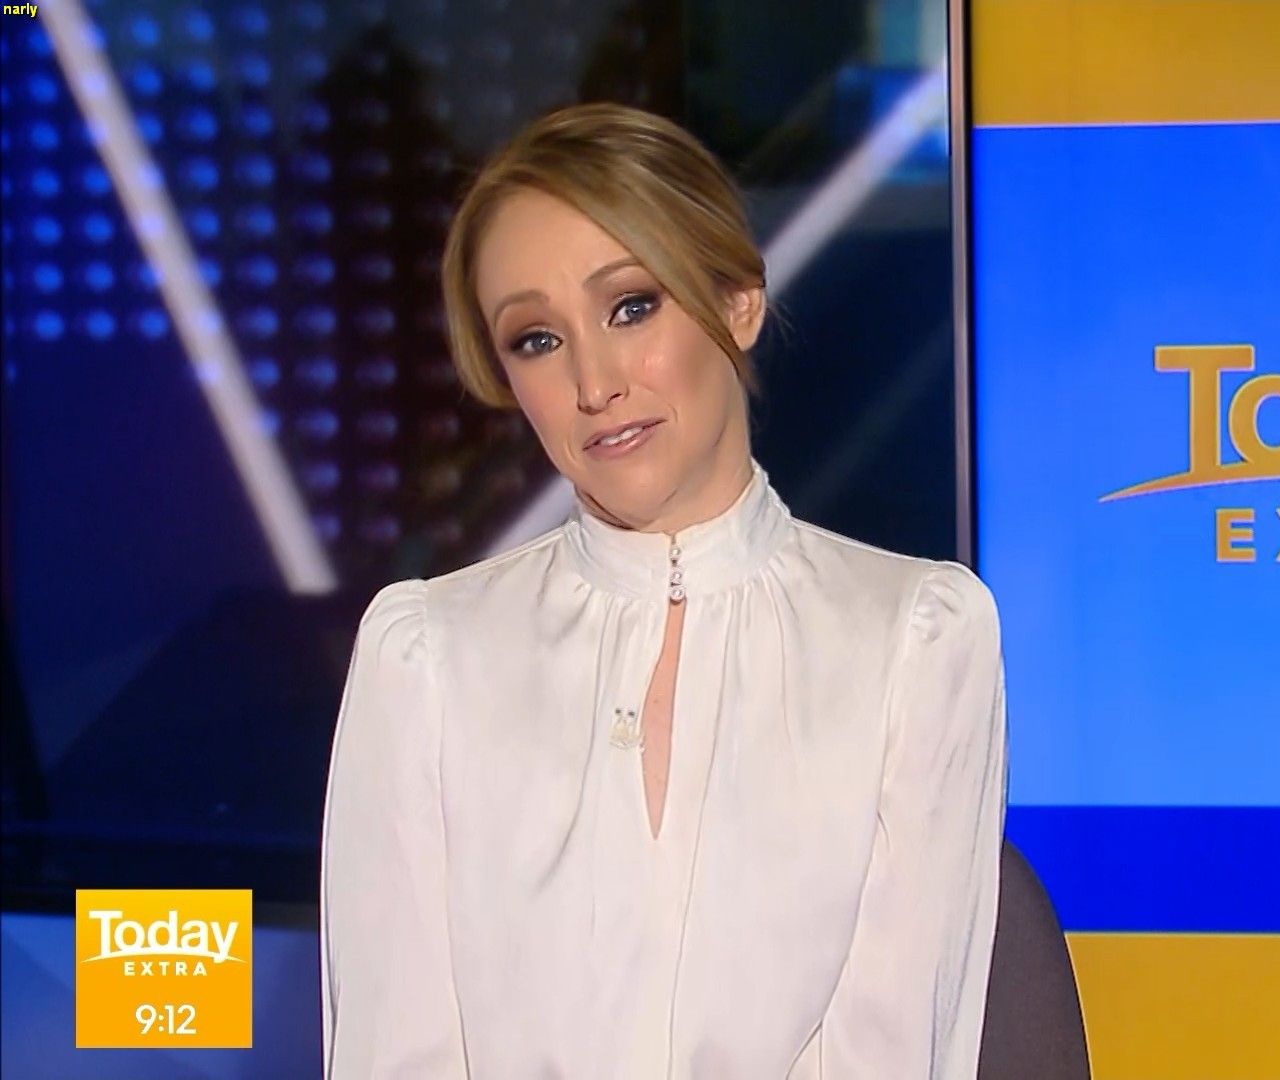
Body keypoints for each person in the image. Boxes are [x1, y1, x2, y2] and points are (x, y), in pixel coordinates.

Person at [319, 102, 1007, 1078]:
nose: (594, 382)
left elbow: (896, 1053)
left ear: (739, 302)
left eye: (630, 307)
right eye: (537, 339)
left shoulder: (915, 638)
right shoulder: (427, 659)